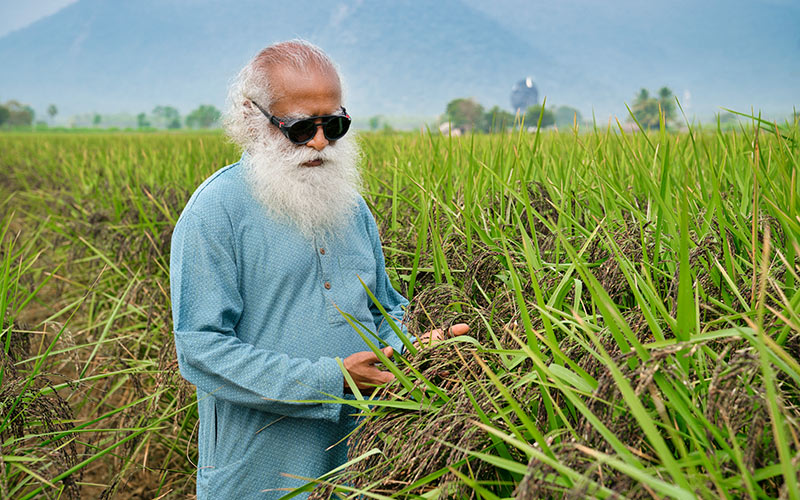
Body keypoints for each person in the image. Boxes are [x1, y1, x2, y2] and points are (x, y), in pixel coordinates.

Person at [170, 40, 467, 499]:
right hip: (260, 475)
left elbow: (385, 308)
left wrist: (414, 351)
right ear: (253, 119)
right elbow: (200, 348)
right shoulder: (216, 212)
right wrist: (333, 380)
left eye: (334, 124)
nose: (320, 141)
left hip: (360, 465)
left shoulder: (351, 207)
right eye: (300, 127)